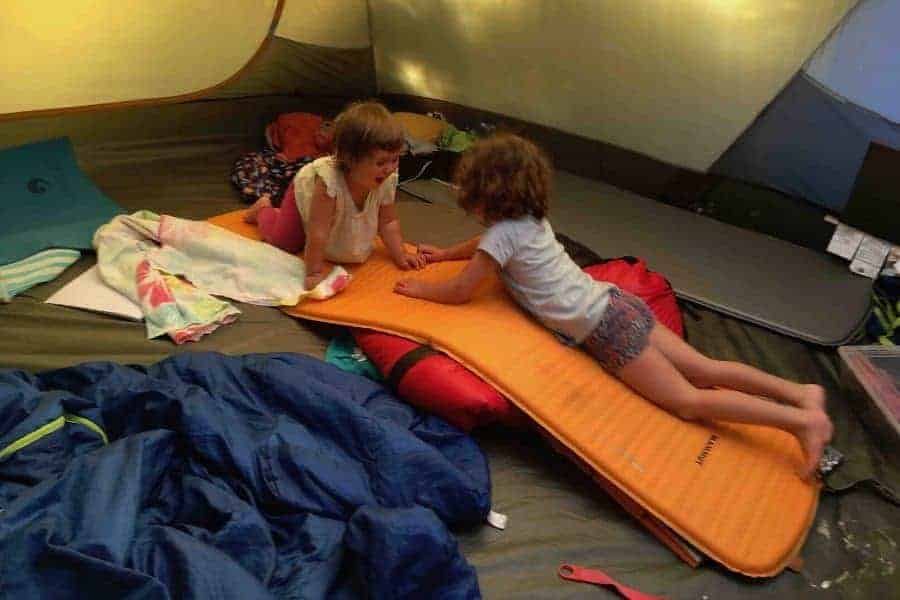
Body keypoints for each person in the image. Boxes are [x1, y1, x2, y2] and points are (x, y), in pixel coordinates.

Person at [394, 133, 833, 478]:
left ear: (484, 194)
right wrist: (446, 253)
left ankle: (800, 423)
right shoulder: (528, 220)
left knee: (688, 400)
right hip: (618, 303)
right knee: (706, 368)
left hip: (607, 330)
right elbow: (484, 246)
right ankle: (799, 393)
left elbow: (461, 291)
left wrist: (420, 290)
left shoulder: (500, 236)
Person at [246, 101, 424, 289]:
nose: (389, 169)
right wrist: (314, 272)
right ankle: (263, 209)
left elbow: (388, 222)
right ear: (350, 160)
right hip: (305, 195)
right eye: (380, 163)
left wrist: (401, 254)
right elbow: (318, 232)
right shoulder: (328, 184)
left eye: (394, 159)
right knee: (285, 243)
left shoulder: (386, 179)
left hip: (328, 214)